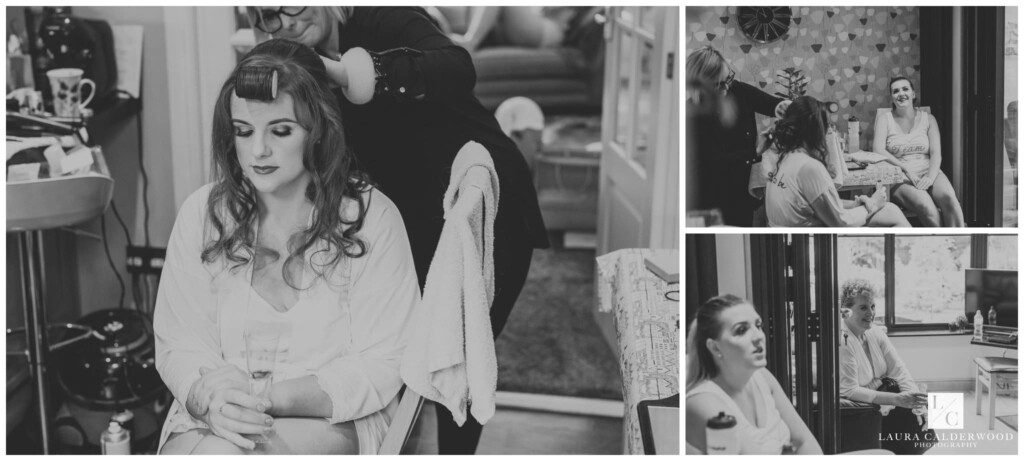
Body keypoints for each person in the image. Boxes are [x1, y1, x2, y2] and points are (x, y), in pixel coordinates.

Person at [245, 6, 548, 454]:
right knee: (413, 350)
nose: (285, 22)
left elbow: (457, 68)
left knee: (456, 355)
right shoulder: (300, 76)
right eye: (268, 17)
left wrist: (344, 73)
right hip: (411, 222)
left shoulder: (384, 19)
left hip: (487, 210)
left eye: (293, 6)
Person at [155, 39, 420, 455]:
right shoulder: (203, 215)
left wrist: (264, 396)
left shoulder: (372, 220)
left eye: (280, 131)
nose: (258, 150)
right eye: (243, 131)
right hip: (217, 412)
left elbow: (384, 359)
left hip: (335, 415)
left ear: (319, 131)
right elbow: (179, 342)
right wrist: (211, 399)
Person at [685, 295, 824, 455]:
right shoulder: (703, 402)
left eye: (758, 326)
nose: (758, 336)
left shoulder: (762, 376)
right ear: (715, 348)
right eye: (741, 330)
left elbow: (803, 441)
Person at [763, 96, 910, 227]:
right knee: (891, 211)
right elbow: (841, 222)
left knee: (891, 210)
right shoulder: (809, 167)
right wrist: (873, 204)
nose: (829, 132)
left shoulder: (784, 157)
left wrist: (855, 204)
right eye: (827, 126)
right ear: (817, 129)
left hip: (786, 231)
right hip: (814, 235)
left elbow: (815, 203)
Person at [686, 46, 792, 226]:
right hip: (711, 196)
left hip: (742, 189)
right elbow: (713, 163)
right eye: (717, 84)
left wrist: (784, 107)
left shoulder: (739, 91)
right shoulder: (692, 115)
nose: (727, 86)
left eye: (728, 78)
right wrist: (756, 151)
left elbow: (772, 104)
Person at [838, 279, 932, 454]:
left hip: (885, 396)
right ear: (845, 311)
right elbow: (850, 390)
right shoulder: (842, 341)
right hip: (864, 408)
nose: (871, 313)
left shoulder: (875, 332)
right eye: (863, 308)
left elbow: (898, 369)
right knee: (914, 419)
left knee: (929, 404)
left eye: (873, 306)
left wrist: (916, 402)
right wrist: (897, 399)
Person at [872, 76, 965, 227]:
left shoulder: (929, 119)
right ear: (892, 97)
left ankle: (959, 239)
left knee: (949, 199)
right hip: (900, 176)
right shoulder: (885, 119)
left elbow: (936, 154)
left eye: (905, 89)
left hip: (928, 170)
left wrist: (930, 177)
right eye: (895, 91)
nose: (901, 93)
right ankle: (941, 240)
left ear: (913, 94)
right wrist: (906, 169)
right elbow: (878, 150)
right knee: (926, 206)